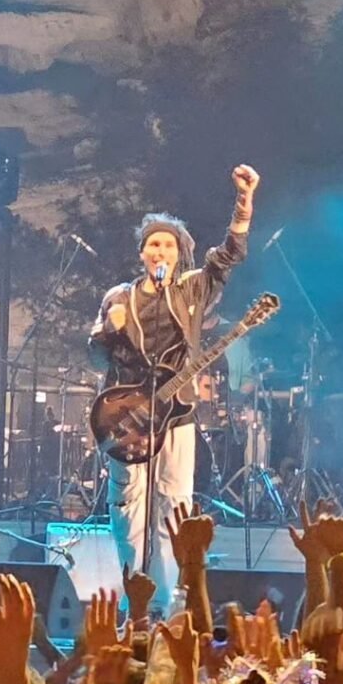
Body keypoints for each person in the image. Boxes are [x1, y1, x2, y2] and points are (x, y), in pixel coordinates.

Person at [88, 165, 259, 602]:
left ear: (180, 253)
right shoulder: (118, 297)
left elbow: (228, 257)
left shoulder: (190, 290)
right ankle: (135, 602)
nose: (159, 250)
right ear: (142, 253)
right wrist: (109, 329)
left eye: (167, 244)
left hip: (177, 414)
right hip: (126, 414)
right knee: (128, 508)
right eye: (152, 244)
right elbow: (93, 356)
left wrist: (244, 203)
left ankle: (168, 605)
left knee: (172, 507)